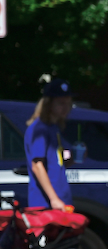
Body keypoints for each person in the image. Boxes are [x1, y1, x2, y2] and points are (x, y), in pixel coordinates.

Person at [24, 76, 75, 211]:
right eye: (61, 103)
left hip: (61, 199)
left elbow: (58, 163)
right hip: (45, 203)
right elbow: (37, 165)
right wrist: (54, 199)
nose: (66, 108)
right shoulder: (39, 129)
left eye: (68, 103)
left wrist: (74, 156)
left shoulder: (54, 128)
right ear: (48, 103)